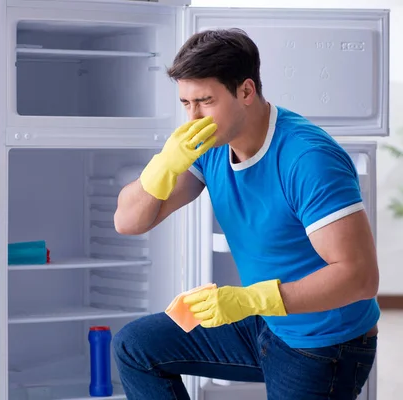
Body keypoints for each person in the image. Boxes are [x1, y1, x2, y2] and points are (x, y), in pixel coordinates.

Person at [112, 28, 380, 400]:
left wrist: (249, 300)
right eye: (185, 103)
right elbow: (128, 222)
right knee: (136, 346)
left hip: (323, 343)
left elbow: (360, 278)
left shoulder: (307, 159)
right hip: (265, 323)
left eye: (204, 101)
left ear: (246, 91)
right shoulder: (208, 145)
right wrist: (162, 167)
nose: (193, 119)